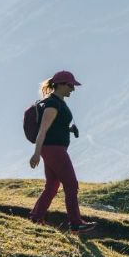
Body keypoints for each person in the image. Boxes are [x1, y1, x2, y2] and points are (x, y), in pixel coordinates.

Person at [28, 70, 94, 233]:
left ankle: (36, 218)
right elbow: (43, 130)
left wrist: (69, 129)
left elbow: (54, 127)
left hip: (53, 148)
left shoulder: (57, 102)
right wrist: (36, 153)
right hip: (54, 150)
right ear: (62, 84)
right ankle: (75, 222)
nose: (73, 89)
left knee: (52, 185)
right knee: (71, 184)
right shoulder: (52, 104)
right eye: (71, 85)